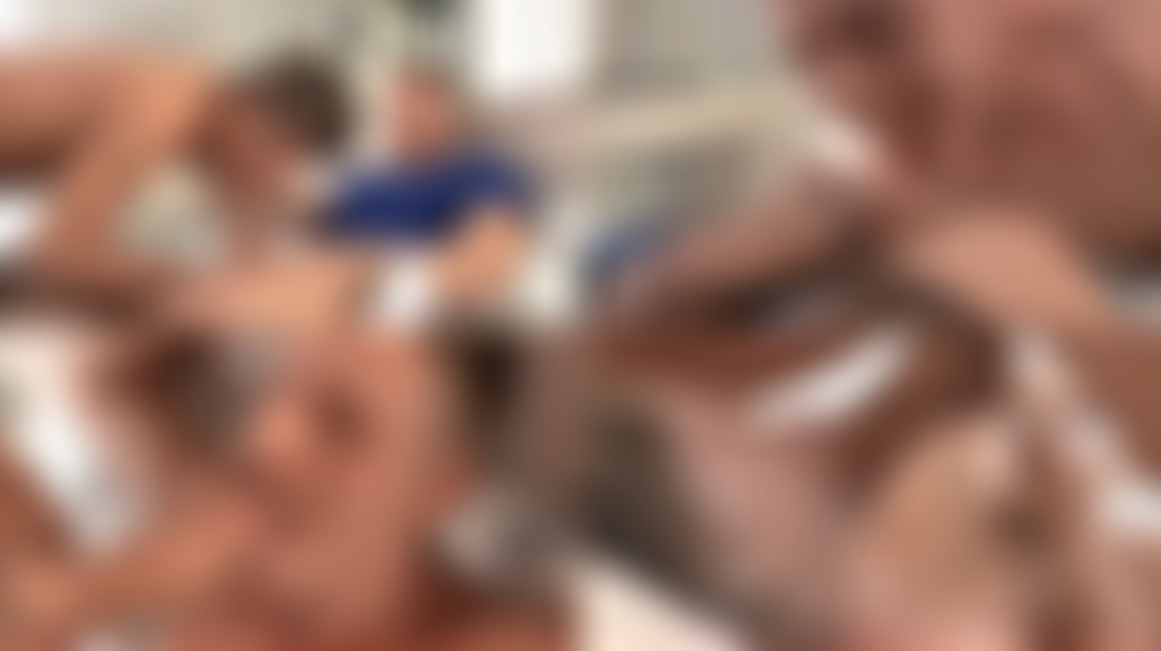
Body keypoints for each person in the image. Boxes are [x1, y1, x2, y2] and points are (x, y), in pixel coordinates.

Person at [0, 51, 349, 299]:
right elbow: (59, 258)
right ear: (255, 118)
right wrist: (198, 285)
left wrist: (256, 249)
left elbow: (252, 230)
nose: (269, 175)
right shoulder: (166, 107)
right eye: (278, 155)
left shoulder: (209, 116)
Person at [324, 63, 536, 318]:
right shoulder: (362, 181)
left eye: (421, 105)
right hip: (328, 293)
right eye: (399, 107)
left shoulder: (483, 172)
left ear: (455, 113)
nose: (407, 116)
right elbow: (313, 242)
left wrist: (393, 284)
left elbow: (490, 259)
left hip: (408, 309)